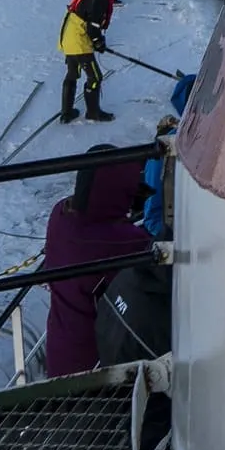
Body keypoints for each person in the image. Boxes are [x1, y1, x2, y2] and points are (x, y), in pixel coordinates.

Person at [40, 157, 151, 378]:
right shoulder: (121, 241)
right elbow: (151, 249)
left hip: (59, 346)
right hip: (96, 360)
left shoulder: (60, 215)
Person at [57, 0, 119, 125]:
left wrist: (98, 41)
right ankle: (93, 112)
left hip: (68, 36)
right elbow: (93, 27)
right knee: (95, 77)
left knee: (72, 73)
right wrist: (98, 42)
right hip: (79, 42)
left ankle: (66, 112)